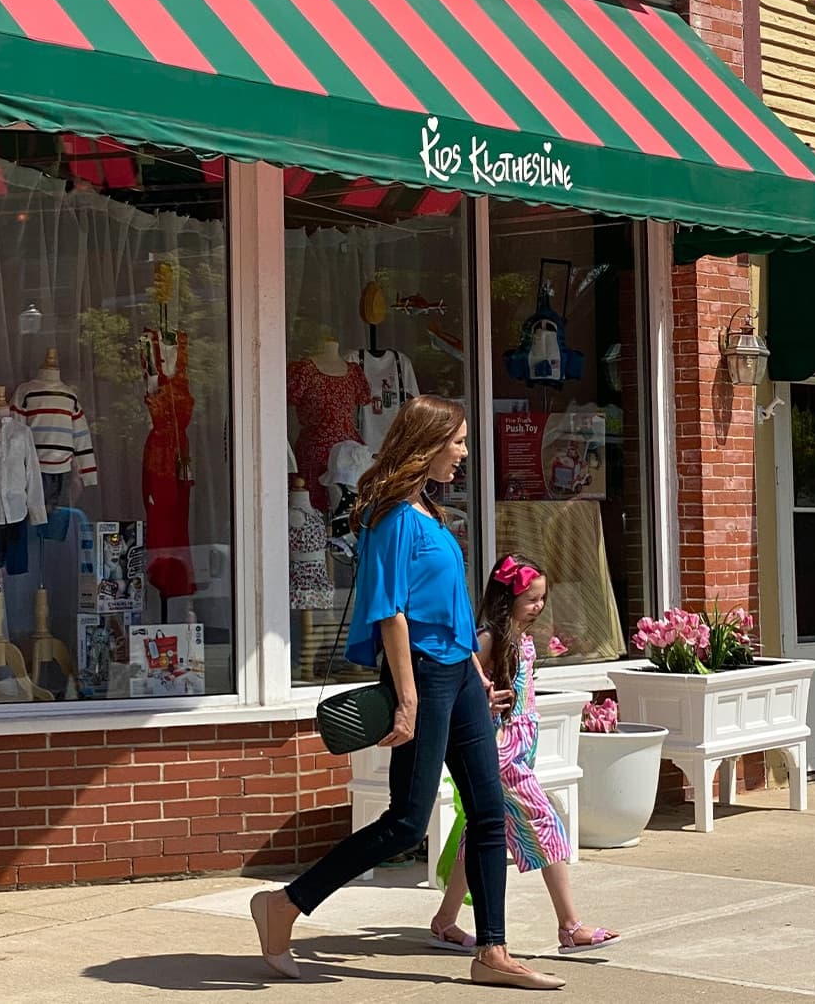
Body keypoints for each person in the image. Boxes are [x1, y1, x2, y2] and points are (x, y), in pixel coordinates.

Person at [251, 397, 562, 990]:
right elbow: (390, 612)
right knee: (406, 822)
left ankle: (493, 952)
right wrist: (409, 696)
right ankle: (284, 905)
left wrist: (477, 670)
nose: (465, 454)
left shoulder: (431, 513)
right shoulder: (392, 517)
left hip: (458, 671)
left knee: (489, 812)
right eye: (460, 442)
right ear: (429, 442)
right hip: (420, 672)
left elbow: (446, 608)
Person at [430, 554, 619, 956]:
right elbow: (460, 686)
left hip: (521, 745)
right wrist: (483, 701)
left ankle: (445, 921)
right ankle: (570, 926)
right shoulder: (488, 639)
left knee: (481, 832)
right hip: (500, 750)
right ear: (507, 598)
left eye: (542, 598)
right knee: (545, 820)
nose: (539, 606)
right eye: (531, 598)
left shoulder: (519, 637)